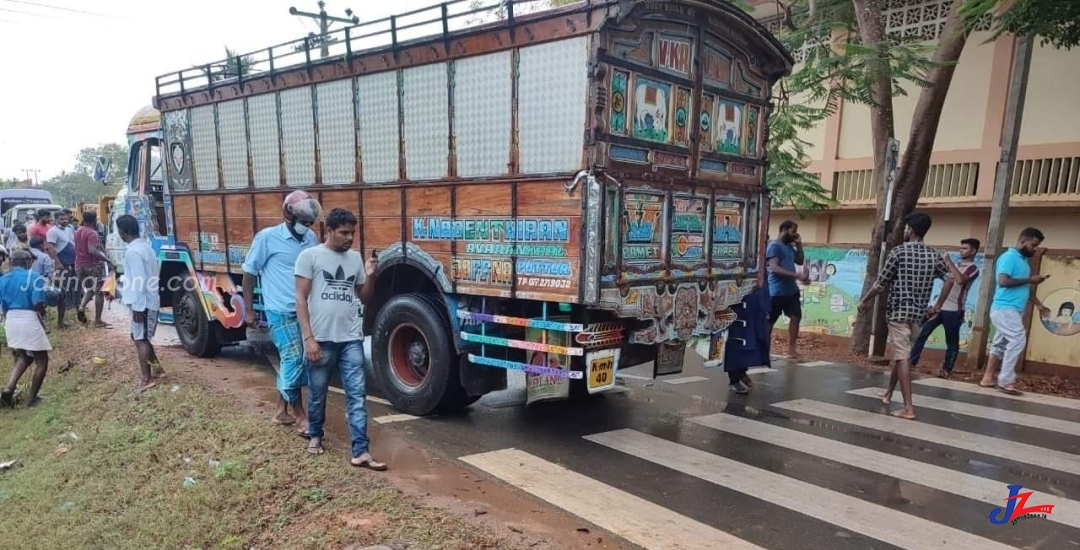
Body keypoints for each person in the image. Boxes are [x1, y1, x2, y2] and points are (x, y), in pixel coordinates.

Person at [295, 208, 385, 470]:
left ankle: (361, 451)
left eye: (352, 233)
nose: (349, 238)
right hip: (320, 339)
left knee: (357, 396)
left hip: (351, 339)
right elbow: (300, 299)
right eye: (344, 233)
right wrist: (308, 338)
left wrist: (370, 274)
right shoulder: (309, 256)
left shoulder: (355, 258)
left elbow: (364, 297)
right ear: (329, 231)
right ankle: (315, 436)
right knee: (317, 394)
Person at [857, 212, 961, 420]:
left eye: (906, 228)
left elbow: (880, 283)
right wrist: (938, 305)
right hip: (918, 316)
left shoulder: (898, 253)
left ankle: (908, 408)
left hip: (898, 312)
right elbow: (950, 279)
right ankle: (888, 393)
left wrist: (865, 300)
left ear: (911, 230)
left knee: (902, 356)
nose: (904, 230)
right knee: (900, 354)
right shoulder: (933, 255)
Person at [242, 190, 321, 435]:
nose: (306, 227)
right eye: (303, 221)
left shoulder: (311, 239)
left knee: (297, 362)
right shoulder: (267, 238)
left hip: (305, 311)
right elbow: (249, 273)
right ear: (288, 215)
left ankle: (280, 412)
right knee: (293, 359)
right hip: (280, 310)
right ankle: (300, 416)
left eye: (309, 223)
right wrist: (249, 310)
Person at [979, 227, 1050, 395]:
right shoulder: (1009, 257)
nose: (1035, 249)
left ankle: (987, 378)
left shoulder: (1023, 261)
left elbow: (1024, 287)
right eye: (1034, 245)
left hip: (1013, 310)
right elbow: (1003, 281)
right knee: (1018, 339)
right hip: (1004, 308)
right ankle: (1006, 380)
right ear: (1023, 241)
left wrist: (1039, 305)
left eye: (1037, 246)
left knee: (999, 345)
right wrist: (1030, 279)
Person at [909, 238, 980, 379]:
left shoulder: (972, 268)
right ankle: (911, 362)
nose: (961, 251)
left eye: (965, 248)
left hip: (954, 310)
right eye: (961, 248)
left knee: (952, 342)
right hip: (938, 307)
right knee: (922, 333)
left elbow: (960, 280)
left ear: (973, 251)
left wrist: (949, 262)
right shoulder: (955, 264)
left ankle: (946, 369)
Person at [117, 214, 164, 393]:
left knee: (140, 339)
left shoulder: (133, 252)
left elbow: (139, 280)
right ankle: (157, 369)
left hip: (143, 303)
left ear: (123, 231)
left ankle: (147, 379)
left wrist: (138, 307)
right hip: (146, 300)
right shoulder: (145, 247)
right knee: (138, 337)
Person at [0, 249, 51, 407]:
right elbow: (37, 303)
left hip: (11, 319)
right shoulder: (35, 277)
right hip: (28, 318)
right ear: (28, 262)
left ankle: (8, 389)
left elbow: (4, 306)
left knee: (25, 357)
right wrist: (42, 316)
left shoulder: (3, 279)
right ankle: (32, 399)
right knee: (42, 360)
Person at [766, 220, 808, 359]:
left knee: (796, 317)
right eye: (793, 231)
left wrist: (799, 245)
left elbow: (800, 261)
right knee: (769, 322)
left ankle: (792, 349)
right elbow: (774, 268)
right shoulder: (774, 246)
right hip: (776, 291)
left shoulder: (790, 247)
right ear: (784, 230)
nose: (795, 234)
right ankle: (764, 350)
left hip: (791, 291)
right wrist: (797, 275)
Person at [74, 211, 116, 328]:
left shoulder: (78, 231)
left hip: (79, 266)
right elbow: (92, 250)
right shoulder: (92, 233)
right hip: (91, 266)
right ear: (95, 220)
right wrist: (108, 260)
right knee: (99, 292)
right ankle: (97, 320)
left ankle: (81, 307)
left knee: (90, 290)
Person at [46, 210, 77, 329]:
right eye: (62, 219)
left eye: (66, 219)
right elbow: (50, 248)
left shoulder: (69, 229)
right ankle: (59, 321)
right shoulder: (52, 232)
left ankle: (65, 315)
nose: (65, 221)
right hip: (62, 264)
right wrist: (58, 262)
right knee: (62, 290)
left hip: (72, 262)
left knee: (72, 286)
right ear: (56, 219)